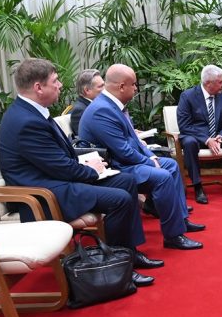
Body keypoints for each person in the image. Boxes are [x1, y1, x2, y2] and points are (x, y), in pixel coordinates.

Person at [0, 58, 161, 287]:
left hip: (56, 181)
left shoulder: (33, 112)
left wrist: (89, 164)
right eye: (55, 81)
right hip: (44, 194)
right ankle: (118, 265)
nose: (60, 85)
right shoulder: (25, 122)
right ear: (38, 87)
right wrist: (92, 171)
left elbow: (59, 159)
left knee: (125, 181)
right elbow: (60, 167)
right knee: (120, 199)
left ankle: (129, 253)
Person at [79, 64, 204, 250]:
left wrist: (151, 157)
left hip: (126, 161)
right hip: (115, 167)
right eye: (134, 85)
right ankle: (173, 236)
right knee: (162, 177)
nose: (136, 89)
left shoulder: (113, 105)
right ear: (122, 86)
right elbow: (122, 151)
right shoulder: (102, 110)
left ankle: (181, 221)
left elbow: (135, 141)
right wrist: (149, 162)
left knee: (170, 165)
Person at [176, 64, 222, 204]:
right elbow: (185, 126)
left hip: (217, 137)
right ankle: (198, 187)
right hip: (197, 137)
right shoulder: (188, 96)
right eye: (220, 82)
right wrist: (207, 139)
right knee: (189, 142)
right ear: (208, 83)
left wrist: (221, 136)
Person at [69, 69, 105, 137]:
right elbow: (85, 139)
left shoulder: (97, 105)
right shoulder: (80, 110)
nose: (105, 89)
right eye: (101, 86)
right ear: (87, 90)